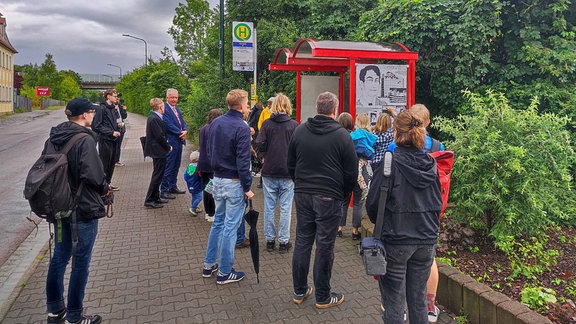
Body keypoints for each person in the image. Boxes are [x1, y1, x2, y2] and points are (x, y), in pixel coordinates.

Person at [288, 91, 357, 308]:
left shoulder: (300, 131)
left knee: (302, 241)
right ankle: (323, 296)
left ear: (317, 108)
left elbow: (291, 163)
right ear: (335, 110)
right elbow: (351, 172)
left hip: (303, 193)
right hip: (329, 196)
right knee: (325, 246)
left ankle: (299, 291)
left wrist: (299, 184)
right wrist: (343, 194)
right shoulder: (341, 135)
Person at [45, 98, 110, 324]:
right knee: (81, 263)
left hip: (58, 206)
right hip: (82, 209)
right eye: (92, 112)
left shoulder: (53, 138)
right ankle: (74, 316)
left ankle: (54, 311)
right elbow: (93, 175)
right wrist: (105, 188)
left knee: (59, 258)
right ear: (84, 115)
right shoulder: (85, 139)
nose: (93, 115)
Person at [377, 110, 442, 324]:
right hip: (426, 239)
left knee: (394, 303)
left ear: (395, 133)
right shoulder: (430, 164)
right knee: (418, 301)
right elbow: (437, 201)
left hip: (396, 238)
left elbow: (374, 204)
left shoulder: (390, 162)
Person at [202, 89, 254, 285]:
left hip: (218, 179)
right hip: (234, 182)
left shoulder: (215, 123)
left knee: (218, 223)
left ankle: (209, 265)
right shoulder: (240, 127)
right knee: (231, 228)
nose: (248, 108)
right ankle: (225, 272)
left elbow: (209, 150)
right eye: (247, 104)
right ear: (241, 106)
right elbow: (243, 160)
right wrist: (247, 187)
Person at [253, 93, 298, 253]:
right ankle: (284, 242)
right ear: (287, 106)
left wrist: (263, 157)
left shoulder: (266, 124)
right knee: (286, 208)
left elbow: (258, 143)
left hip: (269, 171)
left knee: (269, 207)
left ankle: (270, 241)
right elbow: (298, 148)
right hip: (288, 172)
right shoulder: (294, 125)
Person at [143, 98, 172, 209]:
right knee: (157, 175)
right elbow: (159, 136)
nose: (164, 108)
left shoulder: (154, 118)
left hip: (158, 151)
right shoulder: (154, 119)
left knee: (158, 175)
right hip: (158, 151)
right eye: (163, 106)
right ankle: (149, 200)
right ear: (160, 107)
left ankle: (156, 197)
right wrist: (168, 146)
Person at [160, 88, 188, 199]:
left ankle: (173, 186)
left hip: (179, 140)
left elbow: (182, 122)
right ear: (167, 98)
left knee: (176, 165)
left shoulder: (177, 109)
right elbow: (167, 124)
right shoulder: (165, 109)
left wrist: (185, 130)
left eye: (176, 97)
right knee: (169, 165)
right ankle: (164, 189)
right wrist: (180, 132)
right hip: (171, 141)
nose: (174, 99)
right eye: (172, 97)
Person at [92, 89, 121, 190]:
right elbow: (96, 126)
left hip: (113, 140)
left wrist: (118, 127)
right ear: (108, 96)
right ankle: (102, 186)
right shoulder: (101, 108)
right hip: (105, 140)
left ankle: (108, 184)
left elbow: (114, 122)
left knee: (111, 164)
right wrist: (111, 132)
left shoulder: (113, 108)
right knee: (104, 164)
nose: (116, 97)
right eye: (114, 95)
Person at [197, 108, 222, 222]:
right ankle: (212, 213)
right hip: (211, 163)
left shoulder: (203, 129)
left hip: (202, 163)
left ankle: (208, 212)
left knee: (205, 188)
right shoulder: (215, 129)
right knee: (212, 188)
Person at [184, 151, 203, 216]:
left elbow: (185, 176)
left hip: (190, 185)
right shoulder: (198, 168)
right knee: (199, 197)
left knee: (194, 196)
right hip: (197, 185)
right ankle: (193, 208)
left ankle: (195, 207)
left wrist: (189, 181)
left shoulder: (189, 167)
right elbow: (201, 176)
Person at [113, 93, 128, 167]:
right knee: (114, 145)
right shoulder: (111, 107)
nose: (117, 99)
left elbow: (124, 116)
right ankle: (113, 160)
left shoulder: (120, 106)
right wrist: (115, 110)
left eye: (118, 98)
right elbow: (114, 117)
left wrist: (124, 110)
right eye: (116, 98)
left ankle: (117, 160)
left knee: (118, 145)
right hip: (114, 128)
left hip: (121, 128)